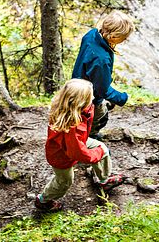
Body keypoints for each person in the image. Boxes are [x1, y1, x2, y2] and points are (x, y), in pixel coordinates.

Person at [34, 79, 126, 211]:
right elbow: (77, 152)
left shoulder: (77, 110)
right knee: (64, 182)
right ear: (79, 102)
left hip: (77, 142)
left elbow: (78, 143)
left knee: (102, 149)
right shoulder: (72, 126)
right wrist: (96, 154)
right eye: (90, 97)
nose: (93, 98)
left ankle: (103, 180)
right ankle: (43, 200)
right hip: (61, 157)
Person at [71, 11, 135, 139]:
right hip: (89, 97)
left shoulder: (91, 35)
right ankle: (90, 139)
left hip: (77, 84)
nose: (126, 39)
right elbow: (102, 89)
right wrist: (122, 98)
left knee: (81, 116)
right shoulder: (101, 60)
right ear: (113, 37)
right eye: (124, 37)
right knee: (99, 117)